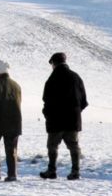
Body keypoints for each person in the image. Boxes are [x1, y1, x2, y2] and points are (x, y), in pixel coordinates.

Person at [38, 51, 88, 179]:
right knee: (74, 146)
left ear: (54, 63)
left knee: (52, 146)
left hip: (55, 121)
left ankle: (52, 170)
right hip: (72, 120)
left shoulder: (52, 79)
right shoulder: (76, 77)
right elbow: (83, 101)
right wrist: (75, 113)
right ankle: (75, 171)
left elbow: (46, 100)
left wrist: (47, 114)